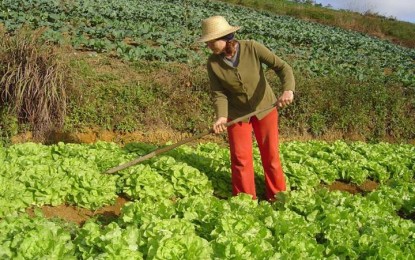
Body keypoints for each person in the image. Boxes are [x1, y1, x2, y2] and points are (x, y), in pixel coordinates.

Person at [197, 15, 295, 201]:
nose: (208, 46)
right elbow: (219, 93)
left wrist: (288, 90)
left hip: (265, 108)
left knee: (270, 154)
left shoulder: (252, 48)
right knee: (240, 158)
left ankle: (277, 197)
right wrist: (221, 117)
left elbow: (283, 67)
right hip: (237, 114)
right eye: (207, 42)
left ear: (224, 38)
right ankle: (245, 201)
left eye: (211, 42)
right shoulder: (213, 63)